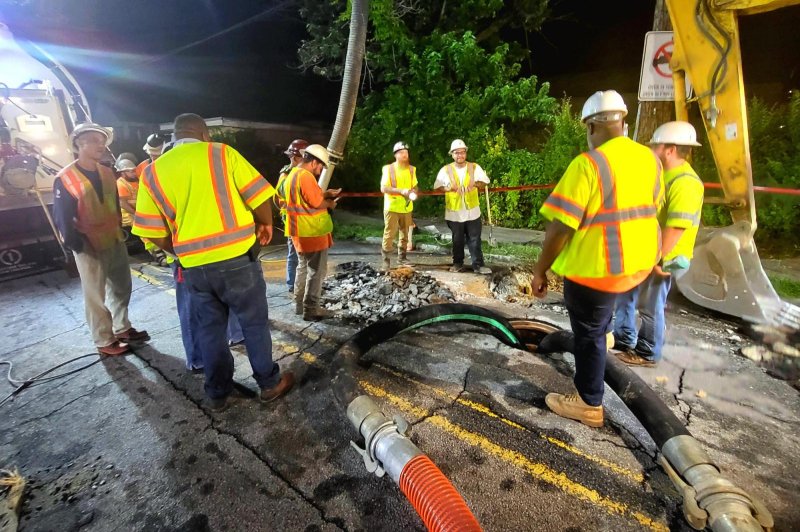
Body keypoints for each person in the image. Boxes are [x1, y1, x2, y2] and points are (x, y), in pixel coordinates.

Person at [132, 113, 293, 411]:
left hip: (194, 267)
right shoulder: (221, 153)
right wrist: (265, 225)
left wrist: (181, 251)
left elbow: (150, 231)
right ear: (204, 134)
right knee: (254, 323)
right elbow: (258, 195)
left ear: (174, 137)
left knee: (209, 330)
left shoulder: (152, 173)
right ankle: (269, 384)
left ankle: (218, 392)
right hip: (237, 259)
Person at [531, 90, 663, 428]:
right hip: (637, 266)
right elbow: (649, 209)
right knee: (600, 324)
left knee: (587, 333)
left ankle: (589, 402)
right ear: (623, 121)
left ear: (591, 126)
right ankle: (603, 339)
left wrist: (540, 269)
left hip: (597, 271)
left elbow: (560, 227)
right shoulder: (650, 160)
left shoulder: (589, 164)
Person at [53, 123, 149, 356]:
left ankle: (122, 328)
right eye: (94, 140)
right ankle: (104, 340)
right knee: (96, 295)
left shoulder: (107, 172)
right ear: (79, 144)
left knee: (122, 287)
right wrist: (74, 244)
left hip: (114, 238)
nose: (101, 145)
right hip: (88, 244)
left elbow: (114, 206)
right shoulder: (65, 178)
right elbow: (62, 216)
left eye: (102, 140)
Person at [613, 121, 704, 367]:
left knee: (650, 306)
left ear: (670, 149)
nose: (651, 148)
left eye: (656, 144)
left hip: (666, 257)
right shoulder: (663, 174)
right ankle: (622, 340)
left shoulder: (686, 182)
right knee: (625, 294)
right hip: (647, 251)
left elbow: (676, 228)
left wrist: (657, 260)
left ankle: (647, 352)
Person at [283, 144, 341, 321]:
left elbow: (308, 198)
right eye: (321, 165)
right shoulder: (306, 177)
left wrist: (325, 193)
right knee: (316, 272)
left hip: (298, 232)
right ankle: (311, 309)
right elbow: (316, 204)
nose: (321, 169)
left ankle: (299, 304)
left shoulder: (293, 174)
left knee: (302, 268)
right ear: (314, 162)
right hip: (313, 232)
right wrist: (330, 203)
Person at [433, 139, 492, 274]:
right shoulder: (446, 170)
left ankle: (478, 265)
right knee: (457, 239)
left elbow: (484, 182)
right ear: (452, 154)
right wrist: (448, 187)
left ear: (466, 153)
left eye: (462, 152)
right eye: (457, 153)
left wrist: (475, 184)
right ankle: (458, 264)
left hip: (472, 211)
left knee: (475, 239)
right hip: (454, 211)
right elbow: (437, 186)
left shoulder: (474, 167)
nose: (460, 155)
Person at [275, 138, 309, 293]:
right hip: (293, 219)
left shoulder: (303, 173)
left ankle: (301, 282)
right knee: (295, 253)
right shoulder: (287, 175)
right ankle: (292, 284)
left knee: (303, 254)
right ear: (296, 158)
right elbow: (281, 197)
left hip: (305, 219)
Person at [380, 141, 418, 271]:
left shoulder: (412, 169)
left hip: (407, 207)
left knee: (405, 234)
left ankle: (402, 258)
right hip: (392, 207)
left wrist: (414, 191)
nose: (404, 155)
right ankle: (386, 261)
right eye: (401, 153)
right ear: (395, 155)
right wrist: (402, 191)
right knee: (389, 234)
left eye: (406, 153)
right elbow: (383, 188)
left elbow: (415, 185)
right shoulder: (388, 169)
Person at [136, 134, 169, 266]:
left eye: (157, 154)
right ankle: (158, 253)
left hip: (166, 205)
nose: (154, 157)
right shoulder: (142, 167)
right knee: (149, 229)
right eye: (152, 154)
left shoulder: (168, 163)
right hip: (151, 203)